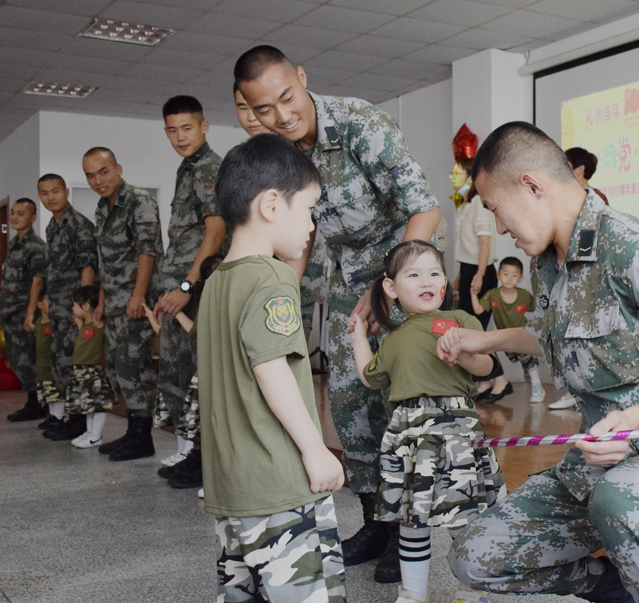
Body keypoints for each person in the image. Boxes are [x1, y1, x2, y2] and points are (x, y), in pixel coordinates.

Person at [439, 122, 639, 603]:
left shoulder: (636, 250)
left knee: (621, 501)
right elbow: (550, 335)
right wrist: (479, 343)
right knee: (475, 555)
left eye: (497, 210)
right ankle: (616, 588)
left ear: (531, 185)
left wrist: (633, 421)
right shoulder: (551, 263)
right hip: (602, 462)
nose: (500, 228)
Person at [234, 45, 440, 581]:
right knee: (351, 406)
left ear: (302, 78)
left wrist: (389, 288)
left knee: (403, 409)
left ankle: (408, 533)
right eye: (264, 110)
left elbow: (426, 206)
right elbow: (301, 232)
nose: (281, 116)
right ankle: (375, 520)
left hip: (404, 276)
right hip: (348, 283)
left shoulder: (359, 124)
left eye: (286, 97)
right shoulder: (279, 151)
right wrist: (281, 286)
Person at [197, 133, 345, 602]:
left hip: (233, 488)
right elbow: (271, 369)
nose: (311, 227)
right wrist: (315, 449)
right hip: (279, 485)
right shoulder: (272, 276)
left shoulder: (217, 283)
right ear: (271, 205)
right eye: (308, 210)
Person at [350, 240, 504, 603]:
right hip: (410, 439)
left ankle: (471, 590)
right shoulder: (394, 340)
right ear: (391, 288)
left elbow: (488, 366)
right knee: (411, 522)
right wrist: (359, 335)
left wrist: (464, 354)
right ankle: (413, 593)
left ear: (446, 284)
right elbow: (369, 376)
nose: (426, 281)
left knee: (462, 518)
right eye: (414, 274)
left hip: (455, 437)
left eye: (434, 273)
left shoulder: (461, 321)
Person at [153, 96, 226, 474]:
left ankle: (202, 460)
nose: (180, 136)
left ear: (204, 127)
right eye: (172, 129)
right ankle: (192, 453)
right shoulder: (188, 168)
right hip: (183, 286)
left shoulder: (208, 168)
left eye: (187, 128)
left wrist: (186, 285)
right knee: (181, 371)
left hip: (196, 289)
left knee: (200, 373)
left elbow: (215, 230)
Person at [83, 147, 164, 461]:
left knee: (136, 369)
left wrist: (138, 296)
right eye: (90, 175)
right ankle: (132, 432)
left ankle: (142, 439)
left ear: (118, 169)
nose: (98, 180)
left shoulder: (139, 201)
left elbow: (149, 250)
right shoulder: (103, 208)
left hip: (134, 302)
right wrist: (102, 300)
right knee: (118, 371)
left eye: (103, 172)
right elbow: (106, 260)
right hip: (114, 302)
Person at [233, 82, 328, 341]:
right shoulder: (245, 160)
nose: (251, 116)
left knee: (285, 350)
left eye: (257, 108)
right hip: (257, 275)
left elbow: (309, 221)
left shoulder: (296, 151)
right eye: (243, 108)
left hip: (295, 271)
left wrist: (287, 283)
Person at [147, 255, 222, 495]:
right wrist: (175, 313)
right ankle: (199, 465)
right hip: (207, 378)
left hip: (222, 379)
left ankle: (217, 479)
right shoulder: (209, 307)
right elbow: (196, 332)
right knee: (203, 424)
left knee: (219, 427)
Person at [36, 174, 98, 425]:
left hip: (74, 309)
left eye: (55, 191)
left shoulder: (79, 225)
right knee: (59, 362)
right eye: (44, 193)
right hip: (59, 309)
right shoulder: (52, 226)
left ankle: (78, 421)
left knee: (76, 365)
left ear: (65, 192)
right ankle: (66, 417)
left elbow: (88, 267)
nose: (50, 197)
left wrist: (83, 308)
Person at [449, 157, 510, 403]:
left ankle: (501, 379)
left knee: (477, 332)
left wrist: (479, 274)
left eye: (457, 173)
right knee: (469, 330)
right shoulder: (464, 205)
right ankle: (483, 381)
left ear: (470, 178)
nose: (452, 178)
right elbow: (468, 247)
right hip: (468, 270)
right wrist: (459, 276)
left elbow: (484, 242)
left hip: (479, 272)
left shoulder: (478, 205)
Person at [470, 256, 544, 403]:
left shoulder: (524, 296)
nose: (509, 279)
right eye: (505, 274)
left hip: (523, 334)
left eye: (514, 275)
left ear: (521, 278)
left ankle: (537, 387)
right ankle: (531, 381)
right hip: (505, 338)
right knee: (523, 362)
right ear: (498, 275)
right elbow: (478, 310)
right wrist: (473, 294)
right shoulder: (493, 295)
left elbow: (539, 309)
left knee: (527, 359)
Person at [0, 198, 46, 423]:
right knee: (19, 360)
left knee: (29, 360)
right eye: (13, 213)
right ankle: (33, 402)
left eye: (21, 213)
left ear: (33, 218)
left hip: (23, 313)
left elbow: (37, 282)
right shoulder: (13, 243)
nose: (15, 217)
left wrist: (29, 315)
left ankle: (37, 404)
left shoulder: (35, 245)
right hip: (10, 312)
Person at [62, 285, 116, 449]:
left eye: (74, 305)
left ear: (85, 306)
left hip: (93, 371)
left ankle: (96, 435)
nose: (72, 308)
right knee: (87, 405)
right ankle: (90, 432)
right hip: (81, 371)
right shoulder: (84, 326)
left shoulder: (97, 324)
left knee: (97, 404)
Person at [34, 288, 63, 432]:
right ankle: (51, 414)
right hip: (42, 366)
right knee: (48, 393)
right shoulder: (39, 323)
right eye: (48, 301)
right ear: (39, 304)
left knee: (55, 391)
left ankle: (58, 416)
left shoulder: (53, 323)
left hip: (51, 365)